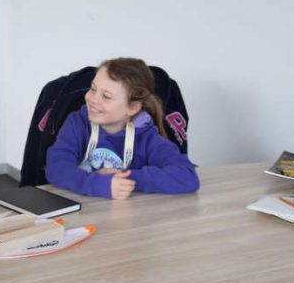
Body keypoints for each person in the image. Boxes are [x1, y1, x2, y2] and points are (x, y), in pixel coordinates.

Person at [45, 57, 199, 200]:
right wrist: (99, 183)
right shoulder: (77, 123)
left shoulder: (146, 137)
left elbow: (187, 176)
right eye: (92, 89)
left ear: (133, 107)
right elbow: (56, 167)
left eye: (106, 96)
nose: (92, 99)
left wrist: (126, 180)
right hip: (80, 209)